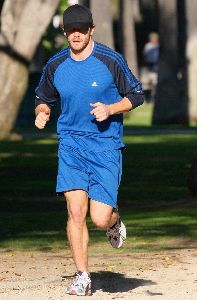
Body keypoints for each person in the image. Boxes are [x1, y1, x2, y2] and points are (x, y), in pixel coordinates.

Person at [34, 4, 144, 296]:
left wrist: (111, 108)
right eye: (72, 29)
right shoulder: (56, 64)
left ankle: (114, 219)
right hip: (70, 144)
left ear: (91, 29)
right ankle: (82, 275)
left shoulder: (110, 60)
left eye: (82, 28)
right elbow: (43, 97)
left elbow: (136, 94)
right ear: (65, 32)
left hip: (105, 145)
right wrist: (42, 110)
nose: (77, 34)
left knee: (98, 218)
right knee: (75, 210)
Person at [142, 32, 159, 102]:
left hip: (157, 70)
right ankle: (150, 100)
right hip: (151, 70)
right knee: (150, 86)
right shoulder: (149, 47)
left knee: (155, 86)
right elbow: (151, 59)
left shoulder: (158, 47)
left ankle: (154, 99)